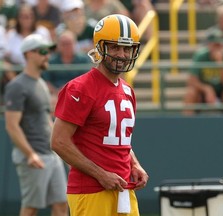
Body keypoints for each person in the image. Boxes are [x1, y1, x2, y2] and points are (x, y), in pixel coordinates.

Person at [50, 14, 149, 216]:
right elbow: (58, 141)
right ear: (100, 48)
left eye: (127, 48)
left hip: (123, 188)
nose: (121, 54)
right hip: (91, 190)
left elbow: (117, 138)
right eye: (114, 47)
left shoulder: (128, 91)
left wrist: (134, 164)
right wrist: (101, 174)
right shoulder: (80, 88)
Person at [4, 34, 68, 216]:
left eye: (48, 51)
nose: (47, 55)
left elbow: (46, 121)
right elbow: (11, 126)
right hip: (33, 157)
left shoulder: (40, 83)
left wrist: (61, 151)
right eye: (42, 51)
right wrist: (30, 154)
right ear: (28, 54)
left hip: (50, 155)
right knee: (31, 208)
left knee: (62, 204)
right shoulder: (17, 86)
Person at [183, 28, 223, 115]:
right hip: (203, 94)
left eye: (220, 45)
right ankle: (186, 126)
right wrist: (206, 89)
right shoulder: (200, 56)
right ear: (209, 45)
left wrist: (221, 65)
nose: (218, 48)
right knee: (190, 93)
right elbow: (191, 81)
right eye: (215, 45)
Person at [42, 30, 90, 110]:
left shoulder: (84, 60)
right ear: (58, 45)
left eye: (69, 43)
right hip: (55, 95)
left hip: (78, 94)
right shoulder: (51, 61)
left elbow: (87, 81)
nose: (66, 47)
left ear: (75, 44)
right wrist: (57, 93)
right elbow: (46, 81)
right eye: (63, 44)